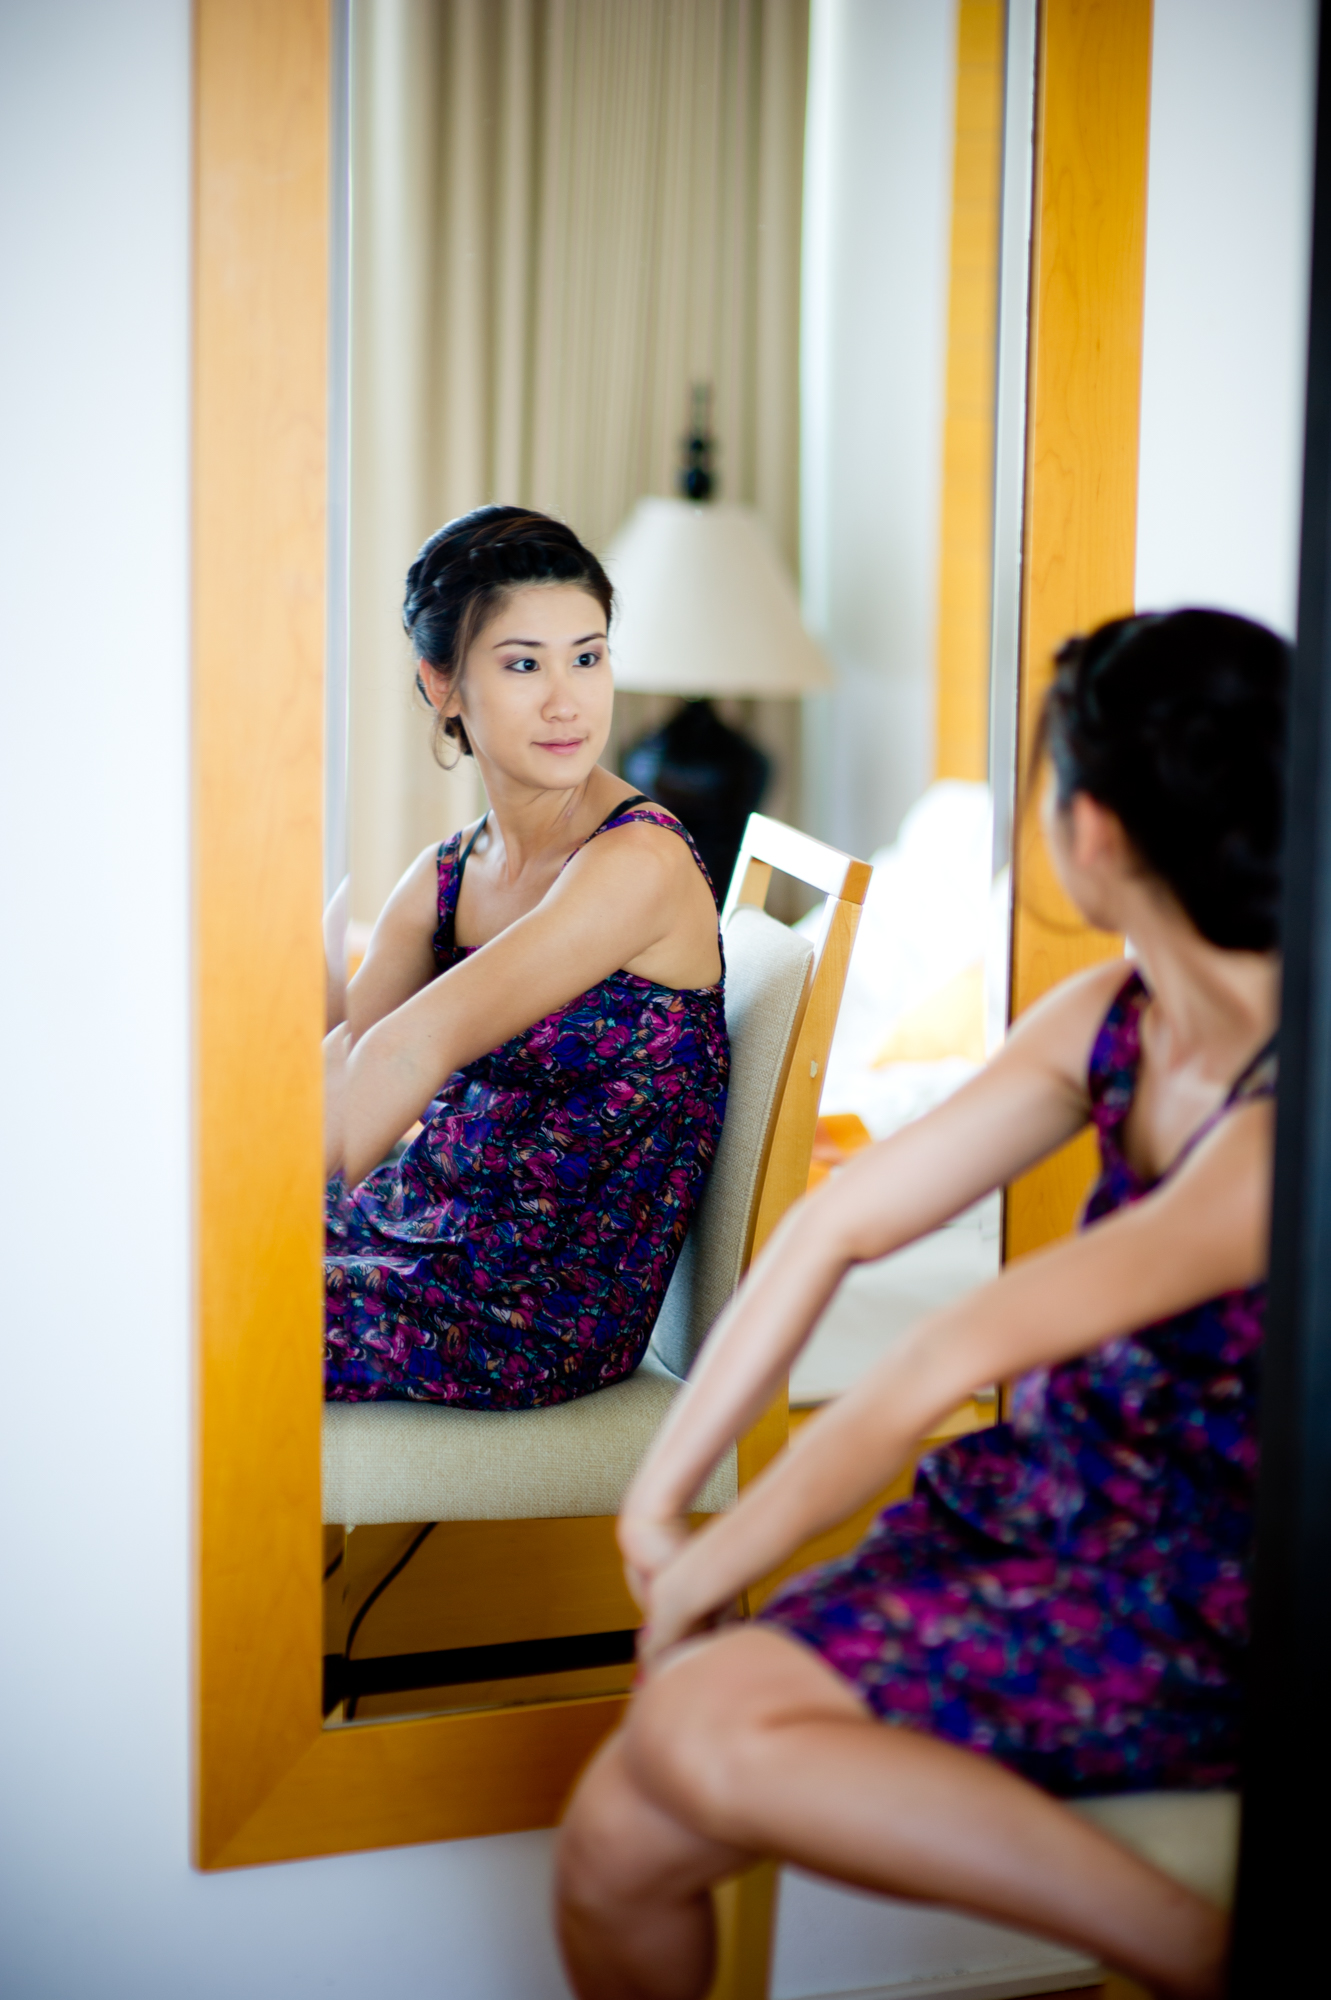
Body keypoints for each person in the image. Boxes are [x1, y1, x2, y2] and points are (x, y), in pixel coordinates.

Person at [556, 609, 1286, 2000]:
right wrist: (655, 1503)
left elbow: (945, 1350)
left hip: (1191, 1593)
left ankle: (1197, 1950)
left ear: (1091, 829)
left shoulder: (1276, 1123)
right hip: (1030, 1512)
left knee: (688, 1737)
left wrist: (709, 1564)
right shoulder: (1112, 1017)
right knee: (616, 1837)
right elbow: (834, 1224)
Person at [323, 505, 728, 1408]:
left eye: (587, 657)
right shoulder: (445, 875)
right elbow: (349, 1055)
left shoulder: (638, 863)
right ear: (441, 685)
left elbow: (408, 1049)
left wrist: (244, 1225)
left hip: (529, 1311)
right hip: (419, 1228)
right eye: (522, 664)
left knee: (207, 1308)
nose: (566, 701)